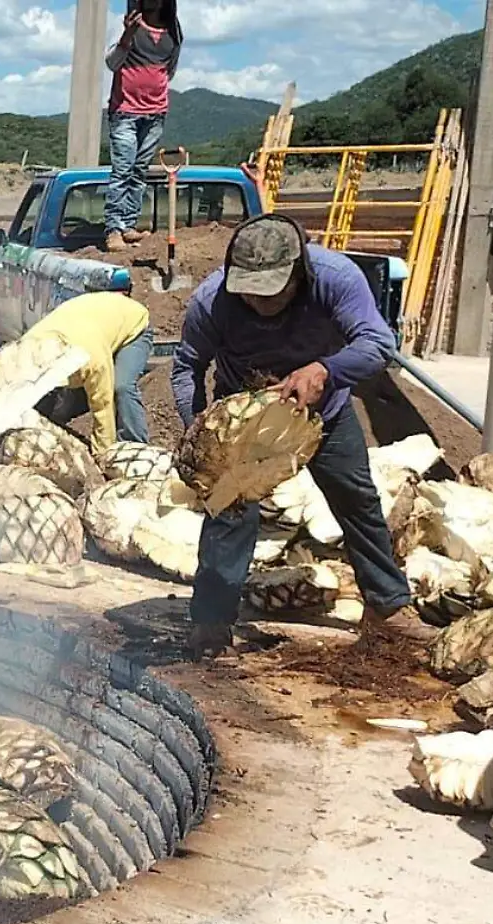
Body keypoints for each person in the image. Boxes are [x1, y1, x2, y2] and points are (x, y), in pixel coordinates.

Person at [172, 213, 436, 656]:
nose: (260, 303)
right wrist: (200, 431)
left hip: (323, 413)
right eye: (250, 294)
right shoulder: (211, 301)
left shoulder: (336, 278)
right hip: (243, 429)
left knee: (357, 500)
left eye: (272, 292)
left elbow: (378, 343)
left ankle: (387, 606)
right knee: (230, 517)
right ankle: (212, 622)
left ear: (299, 272)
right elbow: (186, 366)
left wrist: (326, 370)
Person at [29, 290, 155, 451]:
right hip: (95, 320)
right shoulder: (30, 346)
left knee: (121, 387)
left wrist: (103, 453)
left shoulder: (92, 360)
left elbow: (103, 405)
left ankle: (135, 449)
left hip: (133, 325)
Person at [103, 0, 182, 252]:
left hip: (155, 112)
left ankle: (128, 224)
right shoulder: (133, 27)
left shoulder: (173, 33)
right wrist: (127, 34)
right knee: (122, 169)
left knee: (139, 171)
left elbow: (170, 70)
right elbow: (112, 62)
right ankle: (113, 229)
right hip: (126, 111)